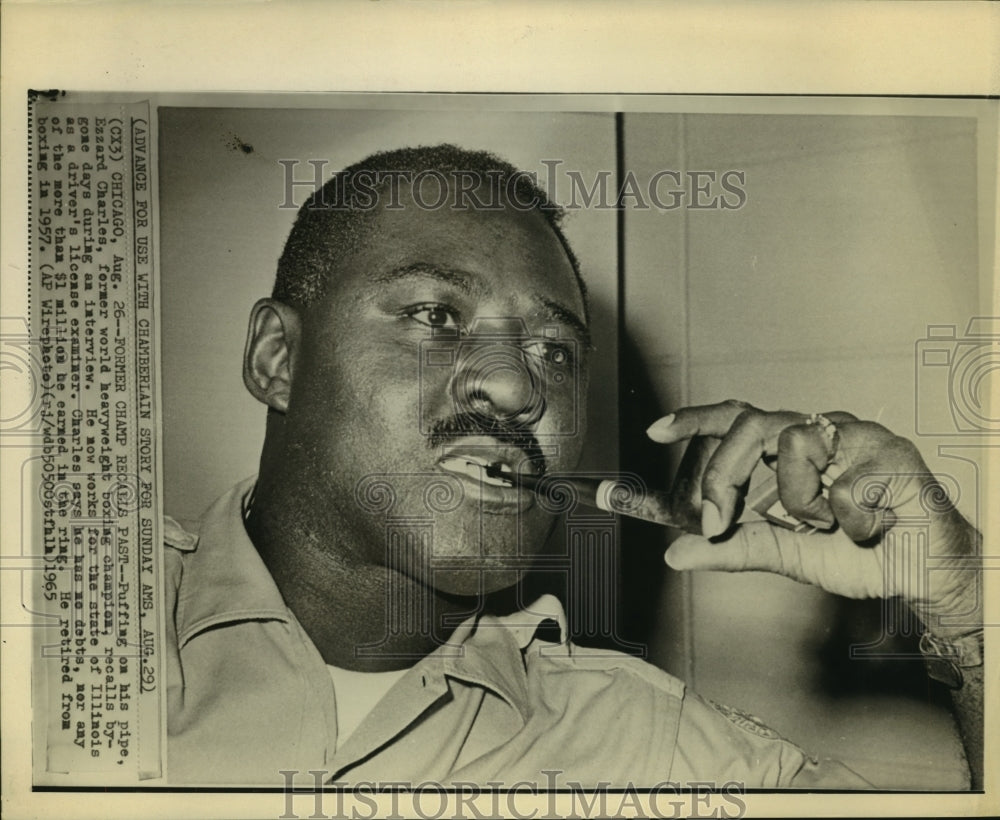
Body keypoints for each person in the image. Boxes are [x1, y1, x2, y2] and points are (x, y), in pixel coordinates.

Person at [163, 144, 983, 788]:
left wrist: (964, 603)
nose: (519, 386)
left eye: (555, 350)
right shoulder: (61, 632)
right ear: (277, 358)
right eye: (437, 315)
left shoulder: (647, 748)